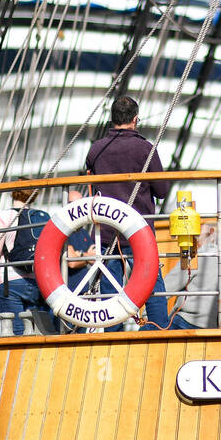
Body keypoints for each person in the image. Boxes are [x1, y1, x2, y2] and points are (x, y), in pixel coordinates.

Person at [84, 96, 169, 330]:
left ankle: (114, 337)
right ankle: (157, 331)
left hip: (108, 233)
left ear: (112, 120)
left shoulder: (96, 149)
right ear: (135, 119)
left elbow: (90, 185)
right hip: (139, 232)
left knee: (110, 292)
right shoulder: (145, 148)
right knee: (151, 283)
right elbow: (162, 191)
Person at [0, 181, 53, 335]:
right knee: (36, 330)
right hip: (36, 281)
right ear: (33, 196)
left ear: (13, 192)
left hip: (9, 283)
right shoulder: (41, 217)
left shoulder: (5, 216)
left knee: (15, 332)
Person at [162, 224, 221, 329]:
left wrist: (147, 319)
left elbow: (164, 290)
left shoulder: (195, 259)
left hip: (185, 323)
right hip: (216, 332)